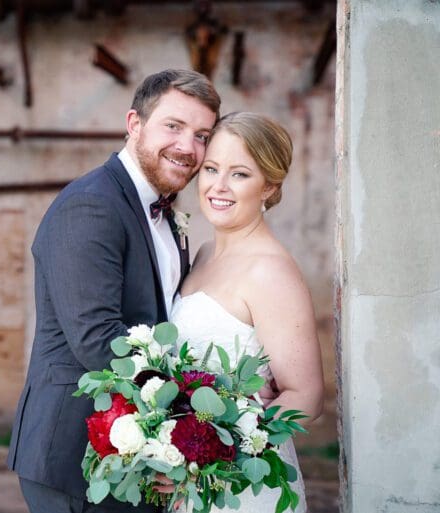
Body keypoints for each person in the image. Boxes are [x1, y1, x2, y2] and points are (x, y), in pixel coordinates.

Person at [6, 69, 220, 513]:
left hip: (132, 455)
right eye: (174, 126)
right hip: (76, 457)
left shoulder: (162, 213)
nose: (188, 147)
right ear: (134, 124)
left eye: (202, 136)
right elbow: (98, 341)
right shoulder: (92, 206)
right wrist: (198, 411)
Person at [168, 112, 325, 512]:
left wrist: (215, 456)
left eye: (239, 174)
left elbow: (305, 396)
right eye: (211, 169)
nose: (218, 187)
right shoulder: (203, 254)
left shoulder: (270, 271)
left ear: (269, 186)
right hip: (191, 480)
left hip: (240, 488)